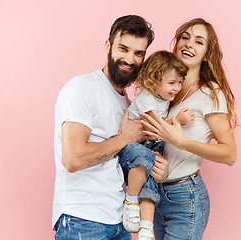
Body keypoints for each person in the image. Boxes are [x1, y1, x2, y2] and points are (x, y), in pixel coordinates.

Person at [52, 15, 167, 240]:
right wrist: (124, 138)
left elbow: (122, 164)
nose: (129, 59)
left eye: (138, 53)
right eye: (123, 48)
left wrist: (154, 167)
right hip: (83, 219)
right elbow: (73, 159)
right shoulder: (82, 88)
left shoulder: (127, 104)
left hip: (120, 220)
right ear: (108, 46)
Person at [141, 18, 238, 240]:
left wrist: (181, 141)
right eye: (185, 38)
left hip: (185, 197)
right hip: (155, 195)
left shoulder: (211, 94)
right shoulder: (163, 89)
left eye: (198, 41)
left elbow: (230, 154)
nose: (189, 44)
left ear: (206, 54)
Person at [117, 50, 191, 240]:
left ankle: (146, 228)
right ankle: (131, 201)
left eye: (180, 82)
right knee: (143, 160)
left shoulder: (163, 99)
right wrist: (178, 120)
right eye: (171, 83)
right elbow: (155, 128)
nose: (176, 88)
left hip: (151, 147)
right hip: (134, 146)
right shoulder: (146, 99)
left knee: (150, 186)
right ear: (153, 79)